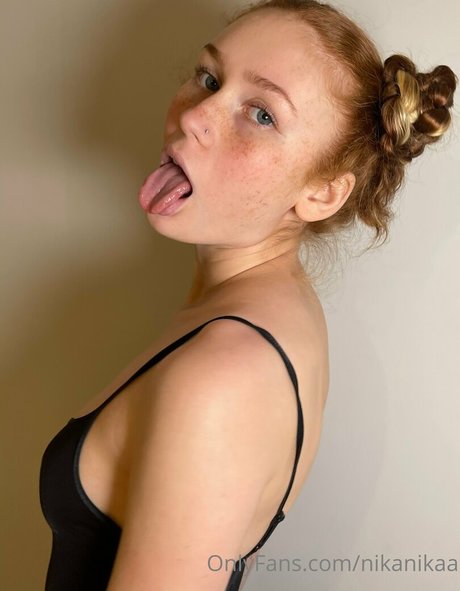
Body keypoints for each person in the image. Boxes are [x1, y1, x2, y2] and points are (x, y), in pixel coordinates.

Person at [39, 1, 457, 590]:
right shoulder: (269, 308)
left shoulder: (227, 374)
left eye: (261, 114)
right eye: (209, 78)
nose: (196, 114)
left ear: (322, 193)